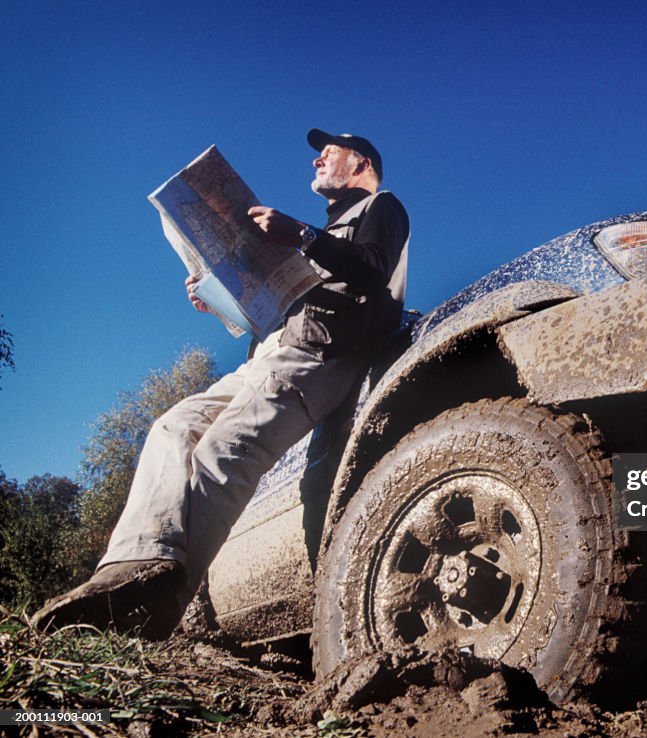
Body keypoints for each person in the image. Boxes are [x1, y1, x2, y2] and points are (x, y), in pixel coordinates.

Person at [33, 129, 410, 638]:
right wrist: (218, 298)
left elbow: (372, 270)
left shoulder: (382, 207)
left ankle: (150, 616)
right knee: (173, 427)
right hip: (269, 352)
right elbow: (271, 312)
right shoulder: (326, 229)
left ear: (361, 162)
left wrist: (300, 235)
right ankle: (130, 569)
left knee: (223, 451)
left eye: (331, 150)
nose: (318, 157)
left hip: (319, 356)